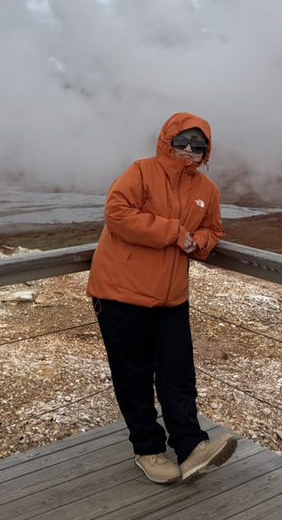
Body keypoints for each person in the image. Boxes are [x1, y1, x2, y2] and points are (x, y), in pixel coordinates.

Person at [87, 112, 237, 483]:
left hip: (171, 299)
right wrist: (173, 232)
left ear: (206, 152)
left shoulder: (207, 191)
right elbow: (117, 213)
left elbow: (213, 230)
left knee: (177, 373)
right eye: (182, 143)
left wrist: (197, 241)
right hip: (120, 293)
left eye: (197, 146)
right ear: (167, 142)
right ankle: (149, 451)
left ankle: (190, 447)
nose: (188, 150)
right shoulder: (141, 173)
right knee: (133, 376)